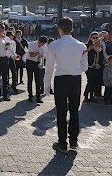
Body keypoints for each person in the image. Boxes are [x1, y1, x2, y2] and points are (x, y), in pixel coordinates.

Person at [44, 17, 88, 153]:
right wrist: (74, 67)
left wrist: (46, 85)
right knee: (74, 110)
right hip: (75, 79)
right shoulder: (81, 46)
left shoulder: (53, 45)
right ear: (72, 29)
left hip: (61, 80)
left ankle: (62, 142)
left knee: (61, 112)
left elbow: (49, 67)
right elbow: (85, 67)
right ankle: (74, 141)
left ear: (59, 29)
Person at [25, 36, 48, 103]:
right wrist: (39, 52)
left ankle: (38, 97)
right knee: (30, 79)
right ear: (39, 41)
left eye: (44, 44)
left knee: (38, 80)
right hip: (30, 62)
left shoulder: (44, 47)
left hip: (37, 63)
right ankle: (30, 96)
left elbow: (43, 57)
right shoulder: (31, 44)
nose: (42, 45)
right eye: (42, 43)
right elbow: (31, 55)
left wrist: (41, 62)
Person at [84, 32, 104, 103]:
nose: (95, 39)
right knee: (90, 81)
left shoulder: (100, 46)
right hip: (89, 66)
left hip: (96, 66)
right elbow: (87, 55)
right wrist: (94, 50)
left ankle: (91, 96)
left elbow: (101, 57)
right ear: (90, 38)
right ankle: (86, 95)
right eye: (94, 38)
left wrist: (99, 64)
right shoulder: (87, 46)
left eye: (96, 37)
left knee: (94, 81)